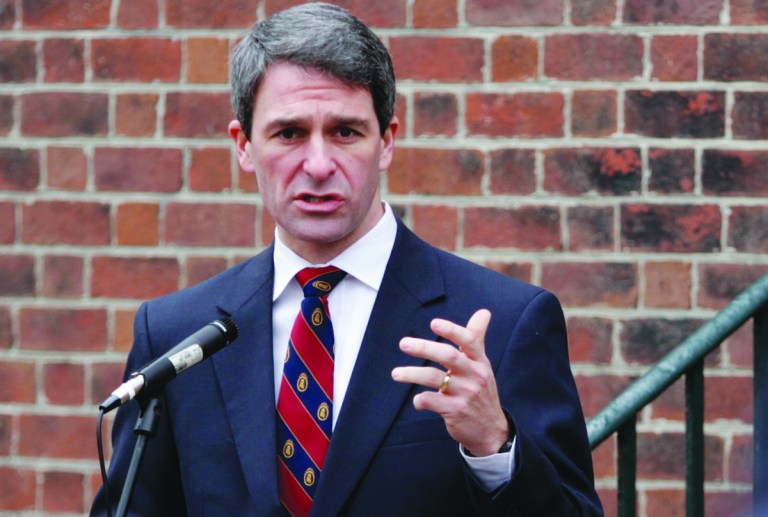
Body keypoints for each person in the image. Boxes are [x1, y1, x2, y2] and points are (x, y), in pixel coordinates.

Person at [91, 3, 602, 515]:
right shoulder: (176, 333)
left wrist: (494, 442)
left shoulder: (502, 324)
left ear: (387, 141)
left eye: (345, 132)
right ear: (244, 145)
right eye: (288, 133)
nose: (317, 165)